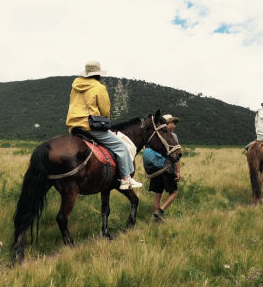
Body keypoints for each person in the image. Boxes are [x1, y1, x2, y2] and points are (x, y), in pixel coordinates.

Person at [66, 60, 142, 190]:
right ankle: (125, 179)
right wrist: (104, 119)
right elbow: (105, 110)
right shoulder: (99, 87)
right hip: (91, 126)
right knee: (120, 146)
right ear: (98, 74)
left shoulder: (75, 87)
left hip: (74, 126)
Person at [151, 114, 181, 223]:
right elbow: (176, 155)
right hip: (168, 168)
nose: (174, 125)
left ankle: (156, 221)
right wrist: (177, 171)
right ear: (167, 124)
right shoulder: (172, 136)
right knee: (174, 192)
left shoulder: (155, 136)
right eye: (172, 123)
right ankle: (160, 211)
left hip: (156, 169)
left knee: (157, 194)